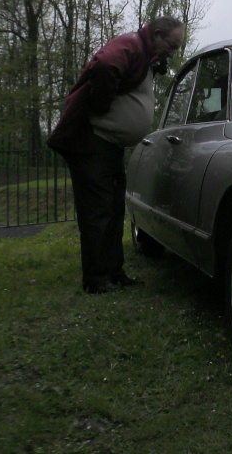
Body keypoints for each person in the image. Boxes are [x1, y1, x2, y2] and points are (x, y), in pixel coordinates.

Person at [47, 16, 185, 294]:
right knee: (97, 212)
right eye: (171, 45)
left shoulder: (145, 55)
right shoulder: (130, 44)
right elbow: (106, 65)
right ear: (156, 34)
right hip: (91, 143)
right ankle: (96, 279)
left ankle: (114, 272)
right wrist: (101, 105)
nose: (173, 52)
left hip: (109, 146)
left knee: (113, 209)